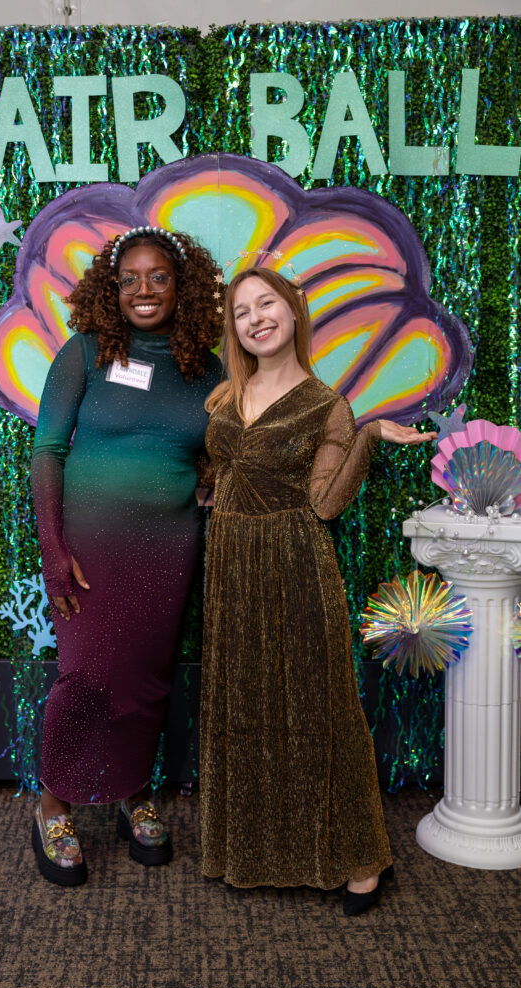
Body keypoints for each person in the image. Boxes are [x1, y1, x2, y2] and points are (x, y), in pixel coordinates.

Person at [200, 266, 437, 915]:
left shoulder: (326, 405)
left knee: (317, 706)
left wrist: (368, 435)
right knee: (243, 703)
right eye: (242, 311)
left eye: (266, 304)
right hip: (229, 564)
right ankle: (254, 849)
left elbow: (325, 505)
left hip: (295, 562)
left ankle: (360, 858)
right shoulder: (222, 398)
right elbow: (219, 471)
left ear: (293, 309)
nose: (255, 318)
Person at [30, 226, 223, 886]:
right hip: (89, 545)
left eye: (158, 276)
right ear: (110, 290)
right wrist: (53, 552)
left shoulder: (208, 368)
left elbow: (220, 448)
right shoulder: (84, 352)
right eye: (129, 279)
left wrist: (210, 477)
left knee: (145, 679)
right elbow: (47, 452)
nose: (144, 289)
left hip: (168, 547)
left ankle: (132, 791)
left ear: (181, 285)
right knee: (85, 674)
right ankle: (53, 805)